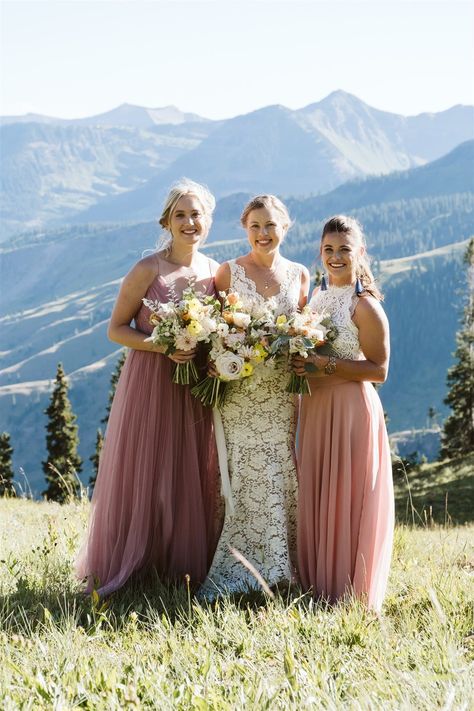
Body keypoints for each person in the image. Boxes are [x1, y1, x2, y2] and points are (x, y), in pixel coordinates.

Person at [76, 179, 221, 596]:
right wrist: (160, 344)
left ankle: (180, 568)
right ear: (166, 221)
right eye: (181, 215)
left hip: (194, 384)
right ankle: (132, 562)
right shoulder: (147, 269)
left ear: (207, 221)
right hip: (150, 382)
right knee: (147, 467)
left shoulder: (215, 272)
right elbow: (116, 330)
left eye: (197, 215)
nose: (189, 222)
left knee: (190, 469)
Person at [200, 195, 310, 598]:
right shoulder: (229, 272)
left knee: (282, 467)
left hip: (281, 392)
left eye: (271, 225)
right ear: (245, 229)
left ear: (286, 227)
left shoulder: (300, 274)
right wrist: (218, 361)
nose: (263, 234)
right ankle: (242, 567)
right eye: (255, 226)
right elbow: (214, 329)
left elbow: (302, 328)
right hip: (240, 389)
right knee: (245, 472)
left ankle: (285, 564)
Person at [292, 215, 394, 613]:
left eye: (344, 250)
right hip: (316, 410)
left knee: (346, 497)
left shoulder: (364, 305)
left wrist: (324, 367)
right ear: (320, 252)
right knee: (320, 491)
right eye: (329, 250)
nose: (335, 257)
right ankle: (317, 583)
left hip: (350, 411)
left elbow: (379, 370)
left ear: (360, 253)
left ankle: (347, 591)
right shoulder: (316, 297)